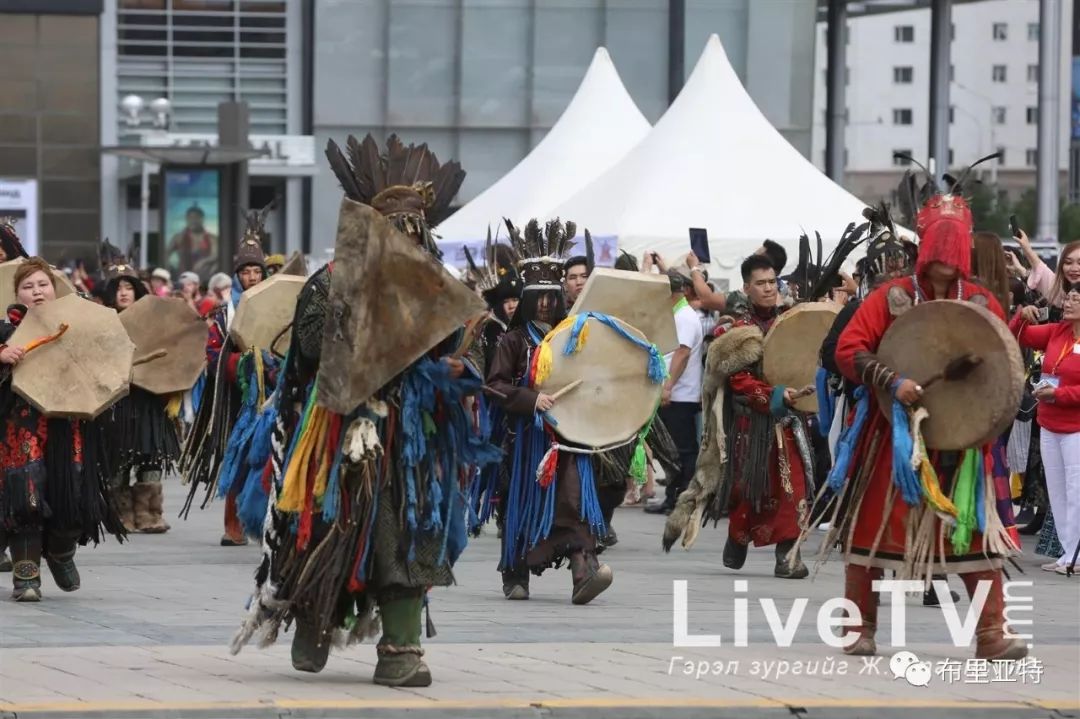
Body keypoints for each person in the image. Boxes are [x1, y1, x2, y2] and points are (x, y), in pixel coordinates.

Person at [231, 133, 495, 688]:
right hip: (337, 431)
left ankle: (401, 649)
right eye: (399, 230)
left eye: (417, 231)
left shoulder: (437, 292)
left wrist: (453, 369)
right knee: (326, 528)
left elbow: (459, 360)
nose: (409, 239)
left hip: (413, 439)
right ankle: (314, 618)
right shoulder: (329, 284)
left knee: (408, 533)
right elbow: (305, 354)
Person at [831, 176, 1026, 660]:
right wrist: (892, 381)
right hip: (893, 436)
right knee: (870, 527)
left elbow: (1003, 371)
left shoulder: (982, 305)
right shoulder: (891, 298)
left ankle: (990, 634)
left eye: (952, 242)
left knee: (976, 532)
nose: (944, 252)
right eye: (936, 240)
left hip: (961, 441)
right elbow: (848, 349)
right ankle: (860, 628)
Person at [487, 218, 614, 604]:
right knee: (520, 505)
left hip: (569, 438)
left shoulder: (573, 334)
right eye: (537, 295)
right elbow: (494, 385)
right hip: (526, 440)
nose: (545, 302)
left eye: (550, 294)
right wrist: (531, 399)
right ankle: (515, 573)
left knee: (573, 499)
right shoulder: (512, 340)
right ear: (527, 298)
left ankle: (583, 570)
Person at [0, 258, 125, 601]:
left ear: (54, 289)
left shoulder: (78, 322)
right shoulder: (5, 330)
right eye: (28, 287)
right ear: (17, 294)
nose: (36, 291)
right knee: (26, 498)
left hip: (68, 425)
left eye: (42, 284)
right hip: (21, 427)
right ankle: (27, 578)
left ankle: (61, 552)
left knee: (70, 494)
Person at [179, 203, 274, 547]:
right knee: (237, 458)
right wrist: (242, 365)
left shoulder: (279, 307)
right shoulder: (223, 314)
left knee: (270, 460)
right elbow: (214, 355)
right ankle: (233, 526)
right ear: (237, 275)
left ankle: (267, 523)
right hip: (237, 397)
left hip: (273, 395)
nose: (251, 277)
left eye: (256, 271)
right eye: (245, 271)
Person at [715, 255, 811, 578]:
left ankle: (788, 557)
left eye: (773, 282)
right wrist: (773, 395)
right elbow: (738, 379)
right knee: (747, 491)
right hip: (752, 426)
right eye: (761, 283)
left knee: (793, 487)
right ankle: (737, 537)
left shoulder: (793, 321)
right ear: (746, 288)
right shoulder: (739, 331)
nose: (769, 289)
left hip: (787, 424)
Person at [99, 246, 180, 534]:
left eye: (128, 287)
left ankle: (150, 514)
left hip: (149, 399)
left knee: (150, 454)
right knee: (118, 457)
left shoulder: (154, 320)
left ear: (137, 291)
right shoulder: (102, 323)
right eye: (118, 288)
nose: (123, 293)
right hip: (117, 401)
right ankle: (120, 515)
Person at [1012, 287, 1080, 574]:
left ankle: (1077, 555)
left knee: (1077, 493)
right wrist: (1021, 317)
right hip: (1050, 424)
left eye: (1077, 298)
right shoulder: (1057, 331)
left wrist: (1060, 395)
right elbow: (1018, 336)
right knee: (1059, 493)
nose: (1068, 302)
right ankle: (1068, 554)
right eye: (1069, 297)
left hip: (1076, 427)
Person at [645, 270, 703, 516]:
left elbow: (682, 353)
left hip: (680, 394)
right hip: (674, 392)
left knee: (683, 450)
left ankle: (683, 500)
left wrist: (668, 386)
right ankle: (672, 497)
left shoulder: (685, 316)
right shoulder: (677, 313)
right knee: (671, 450)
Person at [167, 204, 218, 277]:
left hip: (204, 277)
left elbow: (215, 255)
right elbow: (166, 254)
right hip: (183, 276)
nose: (193, 220)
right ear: (186, 219)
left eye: (196, 217)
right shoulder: (178, 237)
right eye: (190, 217)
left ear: (202, 219)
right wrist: (170, 270)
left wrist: (203, 262)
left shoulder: (211, 238)